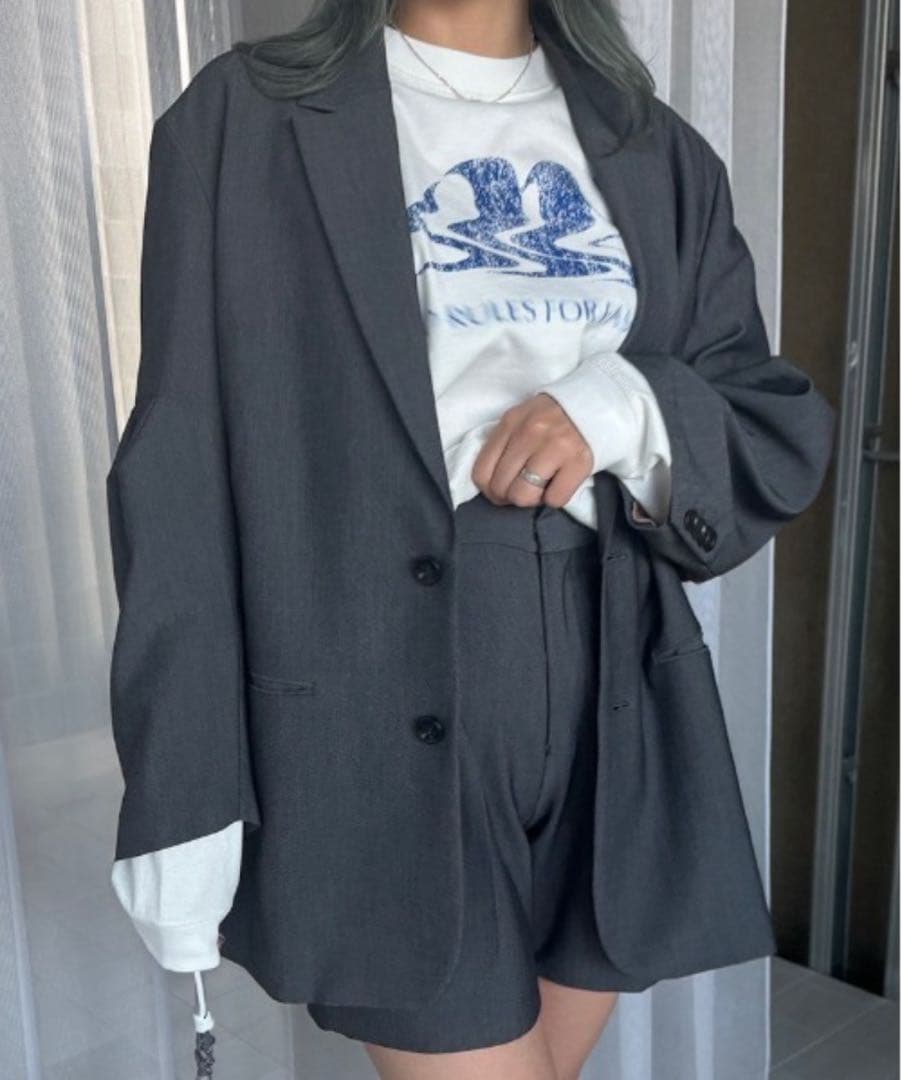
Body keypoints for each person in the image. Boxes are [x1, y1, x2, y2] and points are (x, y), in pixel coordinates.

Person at [105, 2, 836, 1078]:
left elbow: (767, 415)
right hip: (367, 694)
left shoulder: (650, 143)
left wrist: (621, 405)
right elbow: (177, 469)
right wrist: (184, 784)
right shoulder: (244, 121)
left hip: (617, 688)